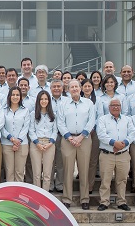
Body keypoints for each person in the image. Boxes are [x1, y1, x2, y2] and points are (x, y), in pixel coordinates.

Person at [57, 79, 95, 209]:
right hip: (68, 140)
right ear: (67, 89)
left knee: (84, 169)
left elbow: (91, 121)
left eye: (76, 87)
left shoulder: (88, 103)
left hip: (84, 139)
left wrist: (81, 136)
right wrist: (69, 137)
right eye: (71, 87)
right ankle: (67, 199)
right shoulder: (63, 104)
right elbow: (60, 122)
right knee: (68, 170)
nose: (74, 89)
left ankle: (85, 199)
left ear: (81, 88)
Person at [96, 98, 135, 212]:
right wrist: (114, 143)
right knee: (105, 180)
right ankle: (104, 202)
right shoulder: (103, 119)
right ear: (109, 107)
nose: (115, 107)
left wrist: (123, 144)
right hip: (107, 154)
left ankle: (121, 201)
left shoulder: (127, 120)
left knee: (122, 180)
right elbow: (101, 135)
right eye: (113, 105)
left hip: (123, 154)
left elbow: (132, 133)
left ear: (121, 106)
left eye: (117, 105)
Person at [29, 91, 57, 190]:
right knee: (36, 173)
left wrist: (50, 143)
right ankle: (37, 195)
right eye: (41, 99)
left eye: (46, 99)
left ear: (49, 100)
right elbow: (31, 130)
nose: (43, 101)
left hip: (49, 144)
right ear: (38, 101)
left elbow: (55, 131)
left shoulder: (53, 114)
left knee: (47, 173)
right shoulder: (33, 114)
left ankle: (45, 195)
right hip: (36, 144)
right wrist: (37, 143)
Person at [1, 86, 30, 182]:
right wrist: (12, 139)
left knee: (19, 172)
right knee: (9, 171)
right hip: (7, 144)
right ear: (9, 96)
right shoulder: (3, 110)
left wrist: (18, 141)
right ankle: (9, 196)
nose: (15, 97)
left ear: (20, 97)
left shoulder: (25, 110)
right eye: (13, 94)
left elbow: (25, 127)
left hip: (22, 144)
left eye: (17, 95)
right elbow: (2, 127)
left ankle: (18, 195)